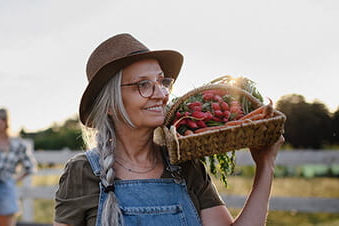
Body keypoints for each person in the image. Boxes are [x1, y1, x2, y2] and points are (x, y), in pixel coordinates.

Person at [53, 33, 285, 226]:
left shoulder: (186, 167)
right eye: (143, 84)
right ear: (111, 104)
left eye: (162, 82)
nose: (162, 94)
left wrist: (265, 165)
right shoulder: (84, 172)